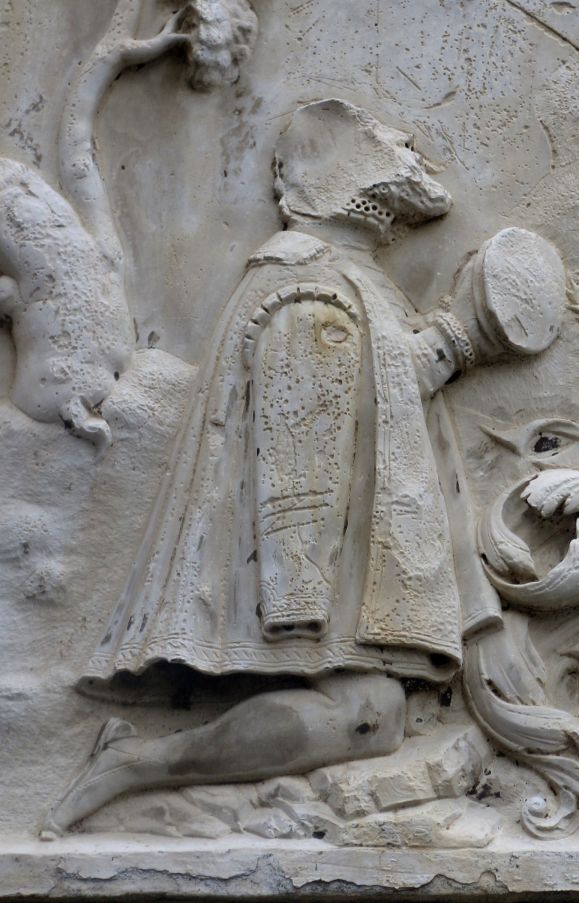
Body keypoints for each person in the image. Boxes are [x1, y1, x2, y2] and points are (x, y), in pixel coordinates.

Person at [43, 100, 507, 836]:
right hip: (308, 567)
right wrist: (457, 338)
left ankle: (138, 763)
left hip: (338, 560)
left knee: (374, 717)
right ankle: (136, 766)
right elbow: (329, 417)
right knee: (369, 714)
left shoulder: (349, 279)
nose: (412, 151)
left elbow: (380, 397)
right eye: (389, 148)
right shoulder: (308, 279)